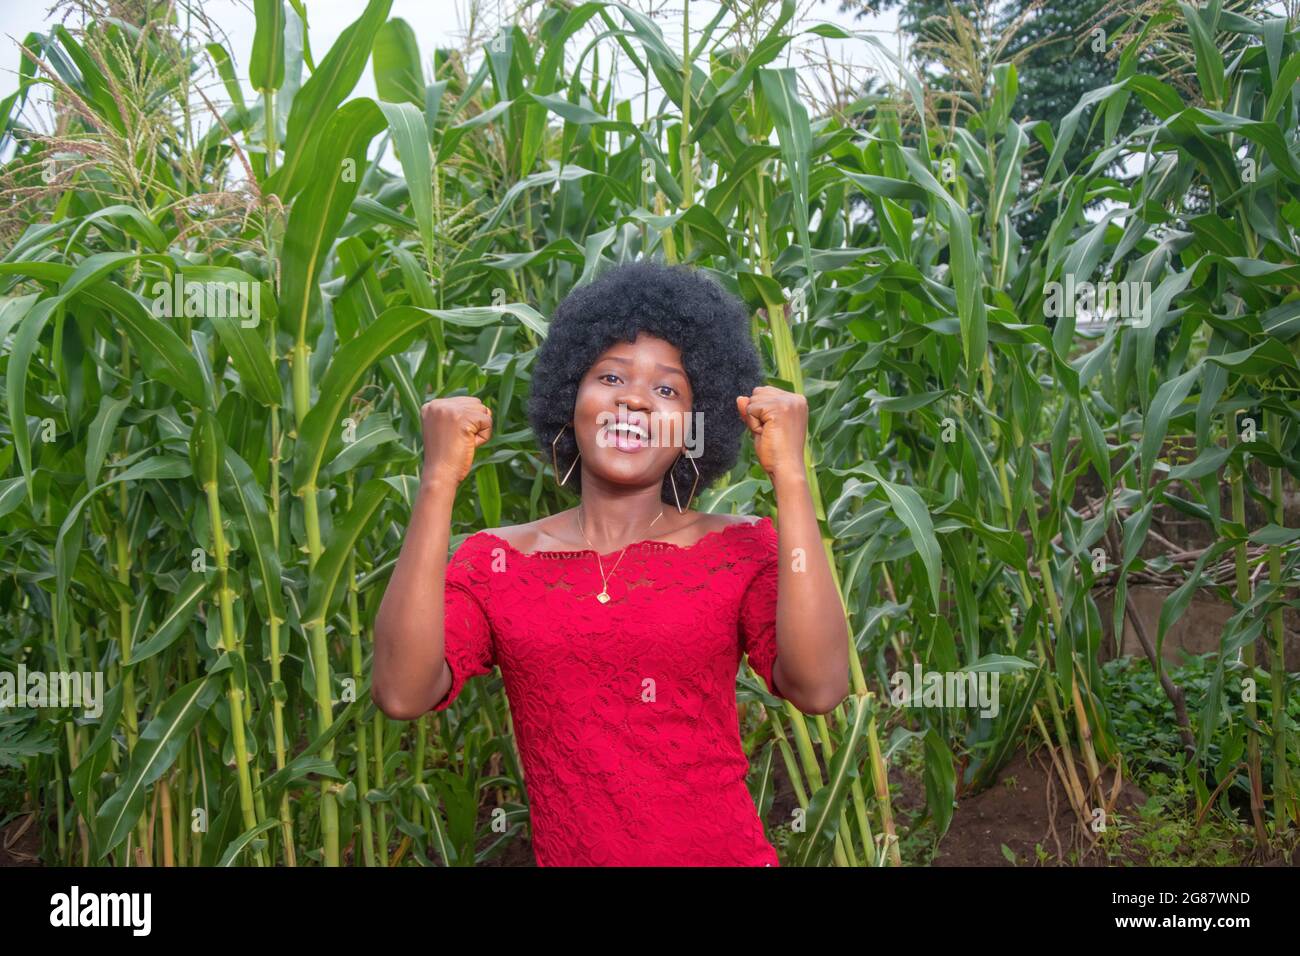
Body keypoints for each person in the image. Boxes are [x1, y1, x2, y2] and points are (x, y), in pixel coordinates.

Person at [373, 259, 850, 865]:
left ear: (692, 427)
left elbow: (820, 685)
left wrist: (791, 474)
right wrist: (438, 479)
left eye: (667, 389)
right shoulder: (495, 563)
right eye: (610, 377)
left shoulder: (736, 550)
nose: (634, 401)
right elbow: (401, 691)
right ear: (570, 395)